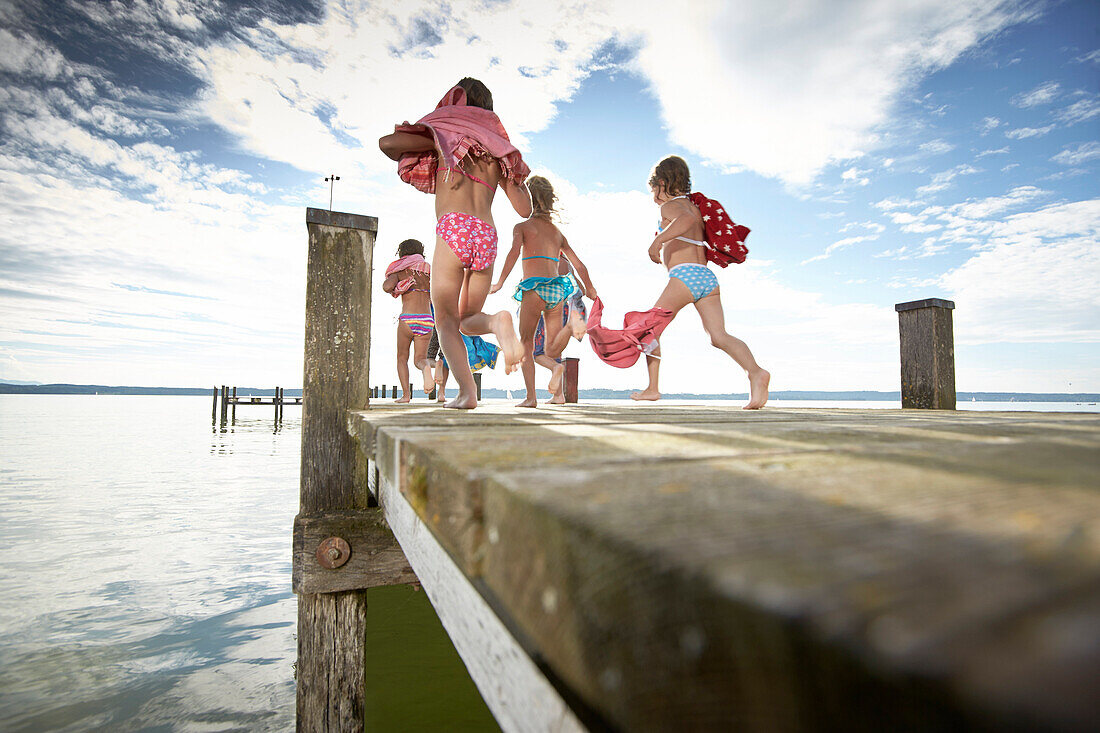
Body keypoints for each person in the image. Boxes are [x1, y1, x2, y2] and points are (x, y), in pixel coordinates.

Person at [379, 77, 532, 409]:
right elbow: (524, 208)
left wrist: (429, 134)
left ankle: (467, 393)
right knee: (468, 317)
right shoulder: (496, 152)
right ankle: (495, 322)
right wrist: (515, 174)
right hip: (487, 234)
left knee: (447, 319)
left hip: (454, 229)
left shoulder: (445, 138)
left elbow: (387, 143)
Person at [633, 156, 769, 408]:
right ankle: (756, 372)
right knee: (718, 336)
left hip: (684, 277)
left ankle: (652, 388)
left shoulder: (672, 206)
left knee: (649, 330)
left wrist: (657, 240)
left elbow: (686, 222)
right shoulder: (694, 206)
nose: (654, 198)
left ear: (662, 183)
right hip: (706, 279)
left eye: (653, 191)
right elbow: (692, 221)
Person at [490, 176, 596, 407]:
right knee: (550, 348)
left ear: (529, 199)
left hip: (534, 288)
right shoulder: (557, 233)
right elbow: (579, 264)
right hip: (557, 290)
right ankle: (567, 335)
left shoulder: (523, 227)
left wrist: (499, 282)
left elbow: (512, 254)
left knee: (526, 343)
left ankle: (531, 398)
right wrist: (590, 288)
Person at [381, 238, 434, 402]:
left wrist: (399, 282)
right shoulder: (429, 271)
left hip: (408, 319)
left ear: (402, 253)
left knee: (402, 358)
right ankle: (425, 368)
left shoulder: (400, 270)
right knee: (419, 359)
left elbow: (386, 287)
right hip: (427, 320)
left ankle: (405, 395)